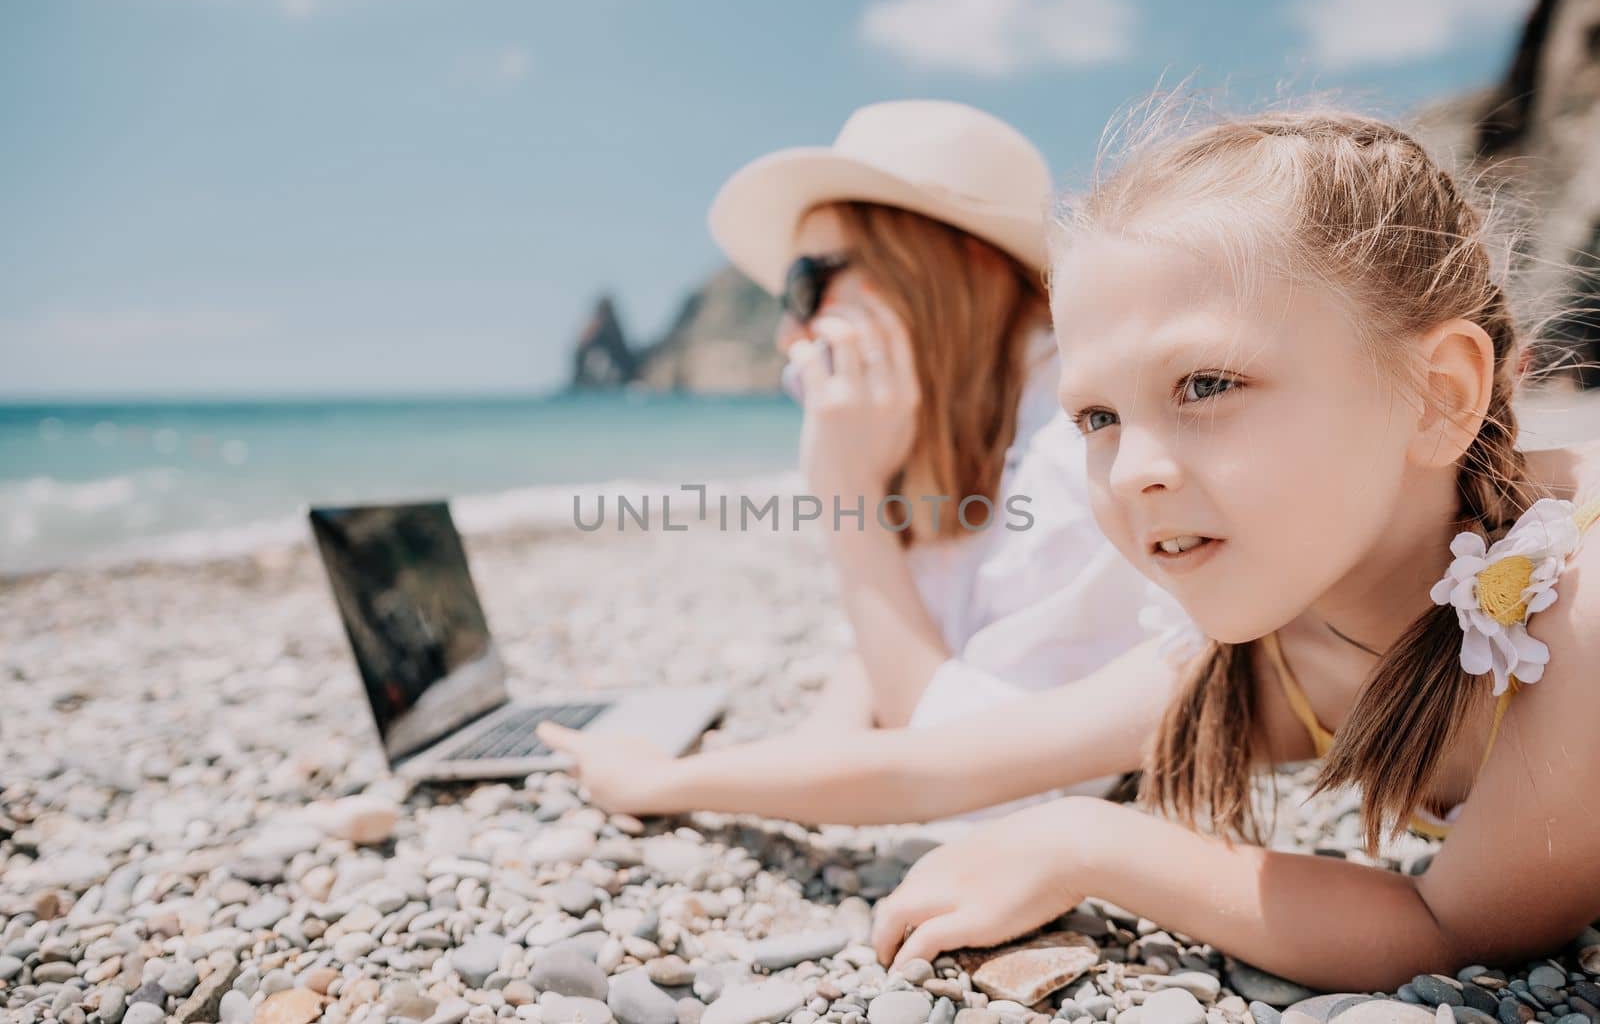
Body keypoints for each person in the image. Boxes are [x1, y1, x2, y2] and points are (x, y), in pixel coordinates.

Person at [861, 106, 1600, 989]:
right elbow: (947, 761)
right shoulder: (1293, 648)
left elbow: (1453, 927)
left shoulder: (1579, 611)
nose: (1133, 470)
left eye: (1206, 384)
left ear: (1438, 396)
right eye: (1098, 417)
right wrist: (666, 782)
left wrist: (1090, 842)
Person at [539, 100, 1168, 819]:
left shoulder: (1080, 457)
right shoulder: (998, 432)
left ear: (953, 264)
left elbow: (992, 786)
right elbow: (886, 672)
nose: (788, 333)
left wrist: (847, 495)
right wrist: (792, 764)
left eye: (807, 286)